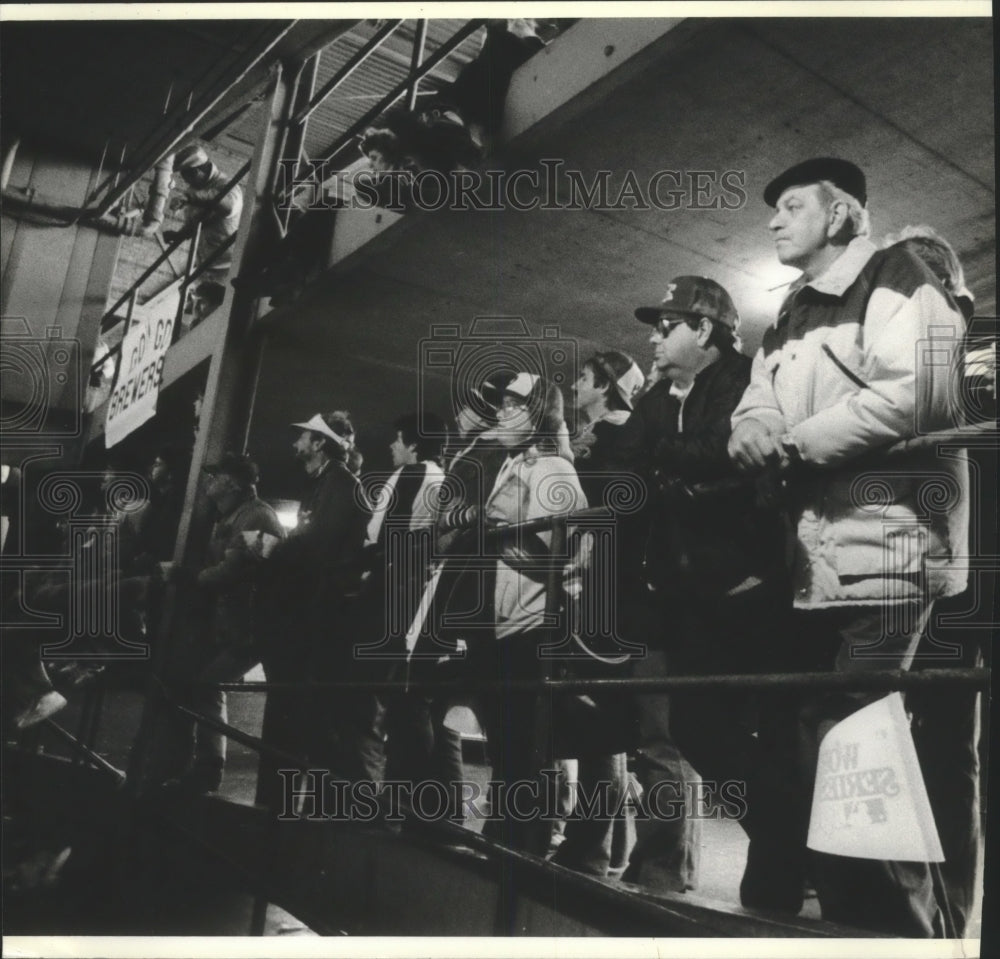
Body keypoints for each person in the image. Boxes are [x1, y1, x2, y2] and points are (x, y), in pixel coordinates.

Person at [728, 158, 969, 936]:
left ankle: (901, 934)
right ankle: (899, 923)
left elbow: (921, 394)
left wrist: (792, 445)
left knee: (846, 749)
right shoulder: (792, 310)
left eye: (790, 205)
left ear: (839, 217)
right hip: (822, 559)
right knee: (838, 752)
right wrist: (752, 428)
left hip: (893, 547)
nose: (773, 220)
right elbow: (755, 397)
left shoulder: (905, 277)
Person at [613, 276, 787, 898]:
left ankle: (780, 857)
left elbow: (724, 450)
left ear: (704, 331)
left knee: (751, 724)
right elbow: (623, 467)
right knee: (693, 726)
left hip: (749, 585)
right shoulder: (660, 396)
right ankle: (783, 839)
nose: (654, 339)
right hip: (688, 592)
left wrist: (665, 459)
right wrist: (668, 462)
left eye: (667, 326)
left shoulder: (743, 378)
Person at [478, 373, 590, 857]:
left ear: (540, 413)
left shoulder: (552, 470)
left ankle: (525, 849)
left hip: (533, 627)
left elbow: (560, 558)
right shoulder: (513, 465)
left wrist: (497, 535)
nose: (500, 412)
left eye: (512, 405)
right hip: (506, 625)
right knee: (507, 746)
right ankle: (506, 838)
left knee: (527, 748)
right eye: (499, 403)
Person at [255, 411, 378, 808]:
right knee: (303, 714)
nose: (296, 444)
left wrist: (276, 548)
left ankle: (309, 805)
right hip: (310, 614)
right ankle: (297, 804)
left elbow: (320, 545)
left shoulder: (340, 483)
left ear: (320, 443)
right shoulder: (325, 484)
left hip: (318, 618)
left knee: (309, 714)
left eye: (304, 436)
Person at [162, 453, 284, 793]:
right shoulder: (234, 516)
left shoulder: (257, 517)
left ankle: (209, 769)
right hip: (234, 623)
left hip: (253, 626)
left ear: (232, 484)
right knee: (205, 688)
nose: (209, 483)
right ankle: (206, 768)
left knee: (207, 686)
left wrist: (184, 576)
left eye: (215, 477)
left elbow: (237, 572)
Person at [163, 143, 243, 322]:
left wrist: (191, 198)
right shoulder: (193, 192)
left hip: (227, 270)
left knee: (219, 318)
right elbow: (195, 224)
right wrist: (179, 234)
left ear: (197, 171)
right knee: (203, 318)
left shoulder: (228, 186)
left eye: (187, 177)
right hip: (206, 270)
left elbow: (228, 206)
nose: (186, 183)